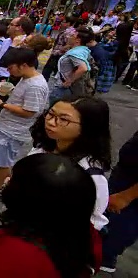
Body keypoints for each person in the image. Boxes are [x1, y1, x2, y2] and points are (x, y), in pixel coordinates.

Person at [0, 153, 102, 277]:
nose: (7, 181)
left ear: (29, 200)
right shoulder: (84, 232)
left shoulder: (17, 256)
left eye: (14, 180)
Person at [28, 96, 112, 231]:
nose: (51, 122)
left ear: (88, 127)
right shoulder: (44, 146)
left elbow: (92, 222)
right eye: (50, 114)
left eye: (63, 119)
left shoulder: (90, 176)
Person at [0, 48, 49, 195]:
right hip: (7, 126)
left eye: (11, 68)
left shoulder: (35, 86)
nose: (9, 72)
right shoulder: (27, 79)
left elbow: (30, 112)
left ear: (23, 65)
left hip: (14, 130)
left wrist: (3, 104)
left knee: (4, 160)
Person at [101, 130, 138, 273]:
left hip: (129, 198)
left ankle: (102, 263)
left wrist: (126, 197)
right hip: (123, 179)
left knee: (112, 239)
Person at [49, 28, 93, 103]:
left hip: (63, 88)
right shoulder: (82, 50)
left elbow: (83, 68)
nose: (69, 37)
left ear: (77, 40)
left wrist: (69, 81)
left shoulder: (76, 53)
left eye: (72, 35)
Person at [43, 15, 78, 80]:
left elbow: (69, 45)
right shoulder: (71, 32)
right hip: (59, 53)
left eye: (64, 22)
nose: (61, 23)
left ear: (68, 23)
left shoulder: (68, 33)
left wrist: (60, 50)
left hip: (58, 54)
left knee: (47, 71)